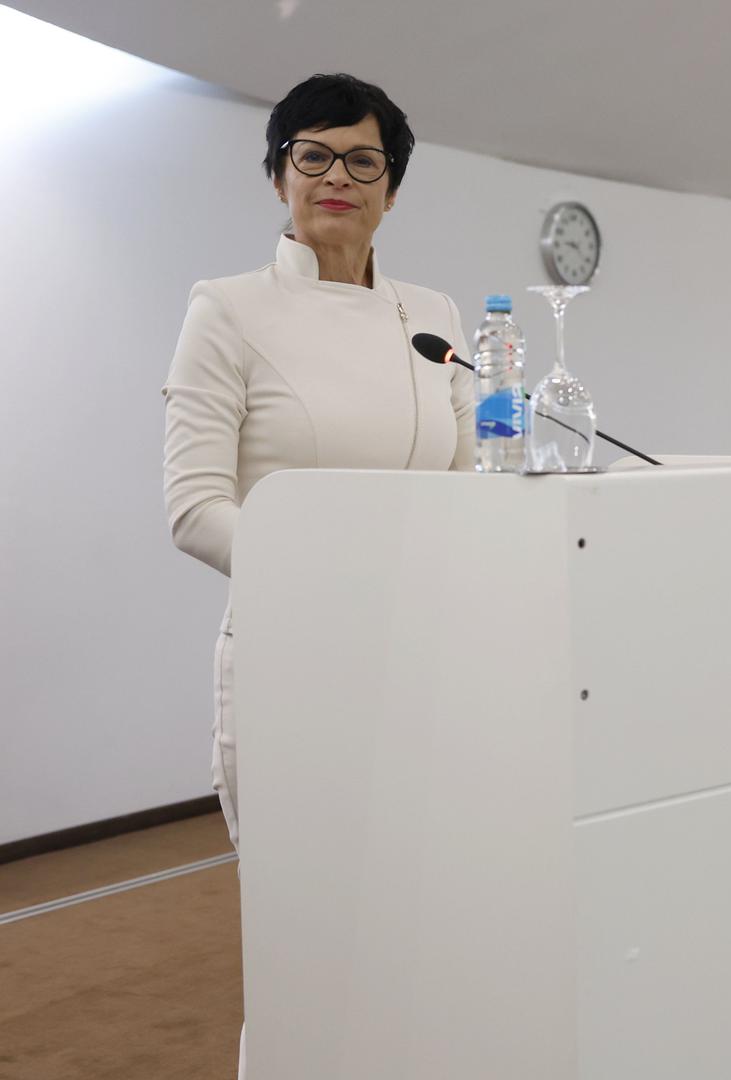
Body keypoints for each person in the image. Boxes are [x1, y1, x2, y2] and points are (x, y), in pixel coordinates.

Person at [162, 74, 474, 1075]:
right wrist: (332, 582)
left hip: (420, 661)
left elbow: (465, 486)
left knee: (421, 930)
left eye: (363, 159)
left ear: (394, 188)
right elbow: (193, 507)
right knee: (311, 949)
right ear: (278, 176)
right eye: (313, 154)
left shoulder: (434, 316)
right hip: (292, 665)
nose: (338, 176)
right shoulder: (227, 309)